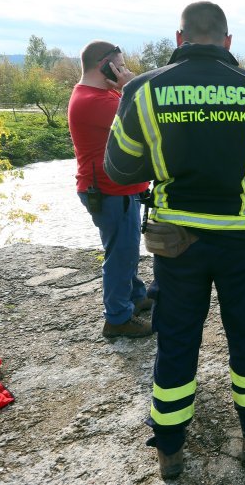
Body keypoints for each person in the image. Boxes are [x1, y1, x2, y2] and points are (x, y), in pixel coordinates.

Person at [104, 1, 245, 479]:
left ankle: (169, 447)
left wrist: (165, 160)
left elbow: (119, 167)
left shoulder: (142, 90)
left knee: (176, 339)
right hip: (241, 240)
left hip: (177, 244)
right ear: (228, 41)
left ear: (179, 38)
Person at [68, 41, 154, 339]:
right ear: (105, 65)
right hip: (110, 191)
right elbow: (146, 119)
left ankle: (135, 296)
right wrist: (132, 86)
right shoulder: (96, 100)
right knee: (121, 254)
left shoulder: (99, 95)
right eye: (121, 64)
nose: (125, 69)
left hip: (116, 189)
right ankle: (117, 317)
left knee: (125, 249)